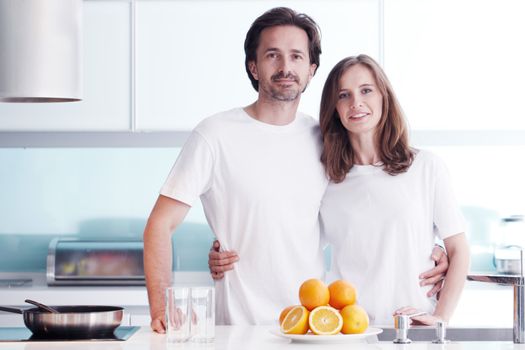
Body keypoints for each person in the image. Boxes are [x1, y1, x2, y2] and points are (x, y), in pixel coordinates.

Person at [145, 7, 448, 331]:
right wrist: (161, 307)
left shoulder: (327, 141)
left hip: (315, 328)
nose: (285, 67)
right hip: (240, 329)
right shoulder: (214, 135)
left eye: (296, 56)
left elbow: (366, 209)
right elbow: (159, 226)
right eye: (272, 55)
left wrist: (429, 250)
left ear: (312, 69)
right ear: (253, 66)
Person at [318, 54, 470, 325]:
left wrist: (439, 318)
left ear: (384, 97)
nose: (356, 103)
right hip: (350, 332)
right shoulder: (326, 180)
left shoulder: (426, 167)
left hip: (413, 330)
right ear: (334, 108)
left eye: (366, 90)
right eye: (344, 95)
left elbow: (458, 249)